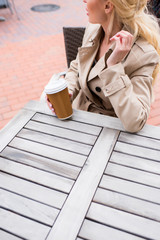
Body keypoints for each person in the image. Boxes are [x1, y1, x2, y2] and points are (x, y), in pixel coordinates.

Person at [47, 0, 160, 132]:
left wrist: (113, 66)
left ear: (107, 6)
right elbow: (77, 66)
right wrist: (69, 89)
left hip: (107, 131)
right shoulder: (94, 28)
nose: (83, 1)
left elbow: (136, 121)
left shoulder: (143, 54)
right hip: (77, 117)